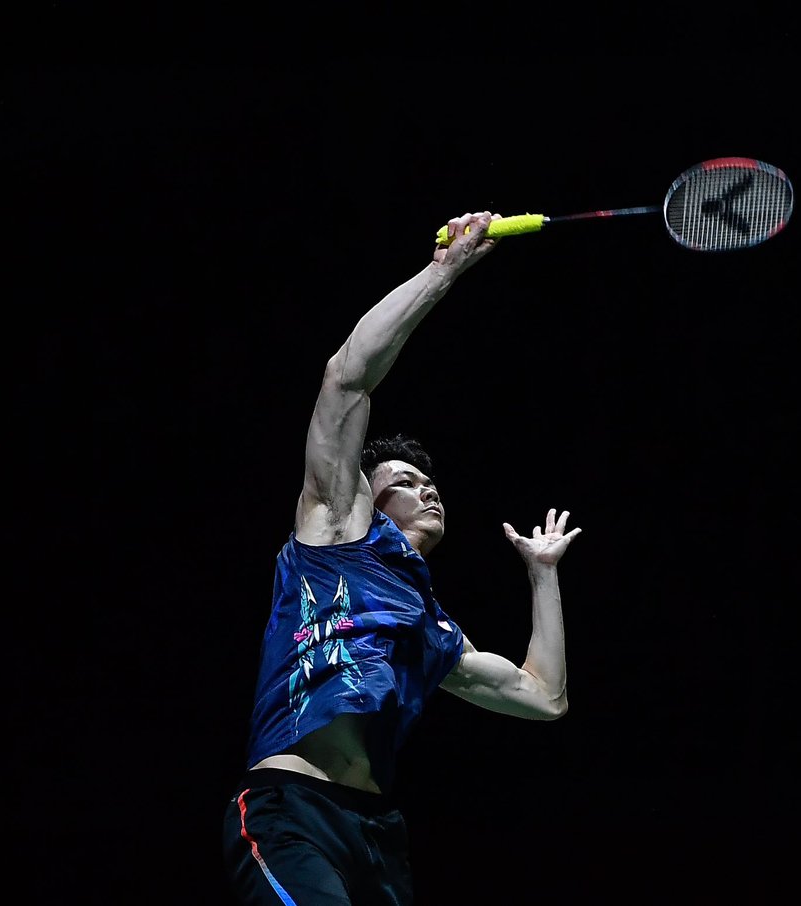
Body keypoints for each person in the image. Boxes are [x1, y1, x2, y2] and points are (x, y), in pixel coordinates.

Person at [222, 211, 582, 905]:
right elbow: (345, 381)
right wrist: (442, 275)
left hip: (377, 833)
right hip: (291, 810)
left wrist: (543, 577)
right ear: (367, 498)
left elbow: (544, 697)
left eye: (430, 482)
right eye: (404, 482)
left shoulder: (430, 628)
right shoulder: (335, 533)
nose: (427, 489)